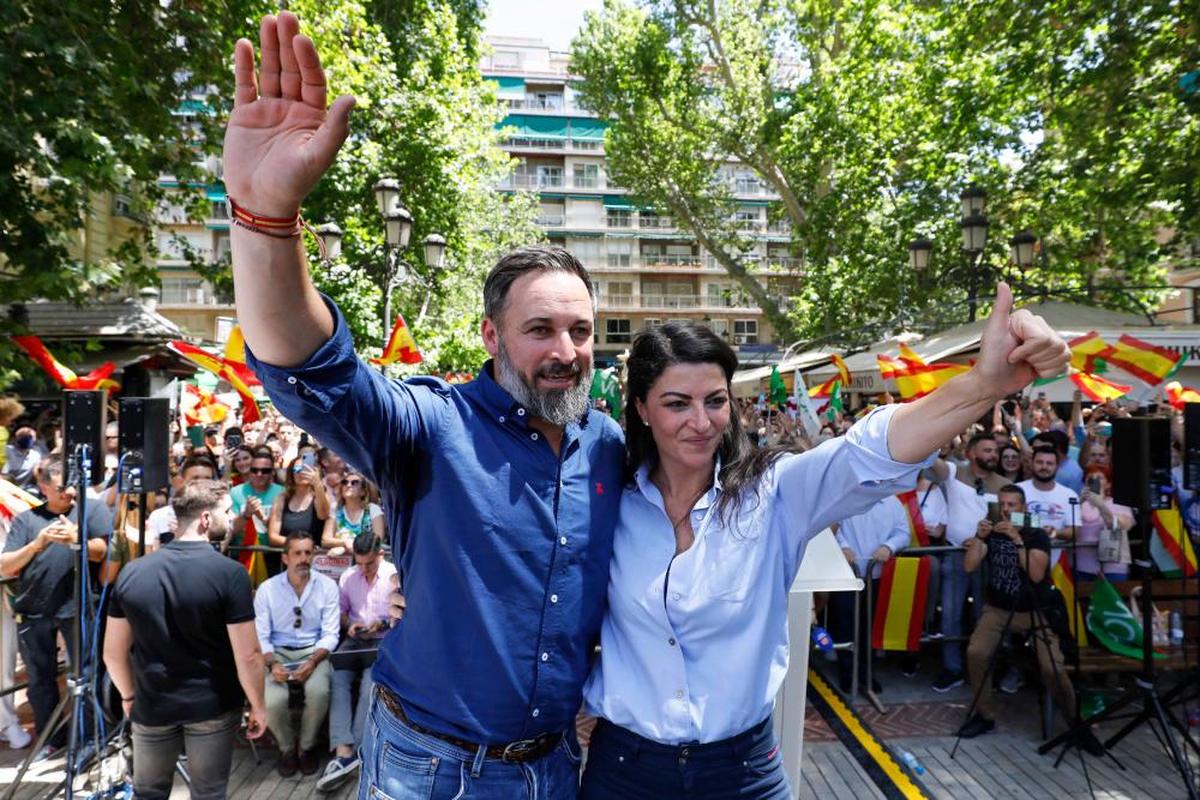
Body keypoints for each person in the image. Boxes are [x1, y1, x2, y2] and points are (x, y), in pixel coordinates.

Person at [225, 12, 1071, 798]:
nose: (565, 352)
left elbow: (868, 451)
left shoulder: (614, 457)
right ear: (489, 336)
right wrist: (266, 219)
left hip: (561, 767)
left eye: (582, 330)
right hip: (429, 765)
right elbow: (316, 367)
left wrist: (987, 384)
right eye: (540, 329)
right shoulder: (433, 428)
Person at [578, 309, 1070, 799]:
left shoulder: (773, 493)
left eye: (715, 400)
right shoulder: (605, 500)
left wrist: (984, 384)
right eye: (677, 403)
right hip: (625, 773)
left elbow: (870, 452)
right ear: (641, 408)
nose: (701, 422)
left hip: (742, 774)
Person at [103, 479, 268, 799]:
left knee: (148, 792)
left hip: (151, 703)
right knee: (208, 793)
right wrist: (259, 705)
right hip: (212, 706)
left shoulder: (132, 573)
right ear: (206, 519)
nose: (232, 518)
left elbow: (113, 653)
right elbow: (248, 654)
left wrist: (128, 695)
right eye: (228, 512)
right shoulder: (230, 574)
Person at [956, 485, 1104, 755]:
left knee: (1053, 669)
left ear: (1023, 508)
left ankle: (1076, 723)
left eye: (1012, 505)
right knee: (976, 652)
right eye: (1001, 504)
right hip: (999, 608)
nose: (1005, 510)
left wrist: (1017, 540)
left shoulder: (1036, 533)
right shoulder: (991, 531)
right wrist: (979, 537)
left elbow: (1036, 575)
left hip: (1036, 609)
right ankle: (984, 715)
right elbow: (969, 566)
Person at [0, 460, 111, 753]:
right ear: (44, 488)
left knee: (87, 675)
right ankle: (51, 740)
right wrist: (37, 544)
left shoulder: (92, 509)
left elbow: (105, 551)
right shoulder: (26, 520)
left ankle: (89, 740)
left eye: (74, 484)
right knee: (39, 681)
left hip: (78, 608)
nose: (71, 492)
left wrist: (77, 540)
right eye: (62, 487)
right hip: (34, 610)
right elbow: (6, 563)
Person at [317, 531, 397, 791]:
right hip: (355, 640)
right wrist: (350, 625)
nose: (363, 569)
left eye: (369, 563)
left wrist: (382, 623)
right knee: (337, 679)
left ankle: (356, 751)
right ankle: (344, 750)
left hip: (383, 640)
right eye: (359, 563)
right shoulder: (348, 576)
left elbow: (404, 615)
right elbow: (340, 615)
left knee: (367, 687)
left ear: (380, 555)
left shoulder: (393, 575)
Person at [254, 533, 340, 777]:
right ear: (285, 558)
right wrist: (272, 665)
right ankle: (287, 749)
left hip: (314, 651)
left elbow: (331, 634)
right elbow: (261, 635)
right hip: (277, 653)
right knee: (272, 701)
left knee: (319, 692)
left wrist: (313, 662)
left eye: (308, 552)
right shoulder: (267, 590)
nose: (303, 559)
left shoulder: (327, 586)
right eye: (297, 553)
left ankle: (306, 747)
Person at [929, 433, 1008, 693]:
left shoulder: (1004, 485)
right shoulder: (954, 472)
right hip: (954, 555)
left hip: (989, 558)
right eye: (987, 450)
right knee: (950, 615)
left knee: (984, 617)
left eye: (995, 451)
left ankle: (984, 668)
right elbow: (934, 464)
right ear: (972, 453)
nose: (993, 455)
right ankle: (952, 668)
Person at [829, 495, 912, 692]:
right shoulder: (847, 497)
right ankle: (848, 675)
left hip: (877, 576)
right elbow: (832, 527)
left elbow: (903, 533)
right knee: (845, 624)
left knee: (870, 627)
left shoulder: (893, 502)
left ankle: (866, 675)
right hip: (847, 575)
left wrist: (888, 547)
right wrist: (843, 547)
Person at [144, 454, 219, 548]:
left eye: (207, 479)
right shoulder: (160, 516)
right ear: (181, 481)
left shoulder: (219, 515)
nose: (201, 484)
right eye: (195, 478)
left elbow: (222, 550)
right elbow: (153, 553)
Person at [1075, 469, 1134, 581]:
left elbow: (1122, 526)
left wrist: (1101, 505)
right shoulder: (1078, 503)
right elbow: (1067, 525)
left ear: (1108, 484)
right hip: (1081, 565)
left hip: (1113, 566)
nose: (1094, 481)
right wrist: (1079, 503)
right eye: (1090, 478)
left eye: (1100, 478)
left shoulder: (1119, 503)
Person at [1018, 445, 1080, 540]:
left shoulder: (1070, 495)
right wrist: (1037, 528)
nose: (1044, 467)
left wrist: (1054, 533)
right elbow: (1009, 520)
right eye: (1039, 462)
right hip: (1023, 552)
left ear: (1057, 466)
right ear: (1031, 463)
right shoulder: (1018, 489)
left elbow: (1074, 531)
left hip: (1057, 553)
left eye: (1049, 463)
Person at [267, 455, 330, 547]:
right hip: (288, 556)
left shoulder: (319, 496)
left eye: (305, 469)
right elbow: (273, 537)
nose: (301, 473)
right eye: (297, 469)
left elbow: (323, 515)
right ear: (291, 474)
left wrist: (317, 484)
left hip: (313, 556)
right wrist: (299, 545)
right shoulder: (282, 498)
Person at [321, 470, 384, 552]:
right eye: (345, 482)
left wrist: (348, 546)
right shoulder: (335, 510)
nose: (348, 485)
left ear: (363, 491)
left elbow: (378, 540)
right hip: (341, 561)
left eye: (354, 483)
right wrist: (344, 543)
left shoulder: (373, 510)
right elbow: (325, 540)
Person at [3, 426, 42, 490]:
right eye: (23, 436)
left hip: (23, 489)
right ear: (16, 438)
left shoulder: (35, 455)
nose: (28, 439)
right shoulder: (7, 450)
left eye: (30, 437)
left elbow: (37, 473)